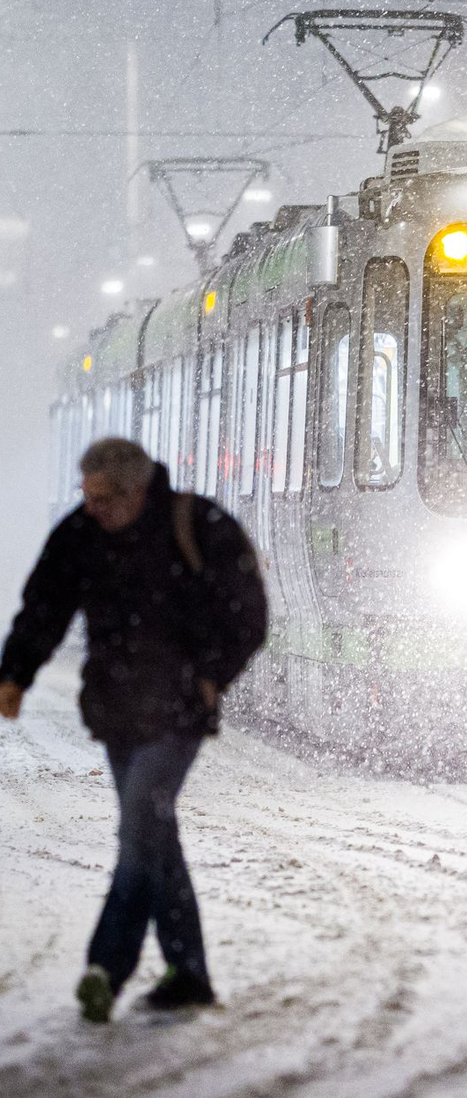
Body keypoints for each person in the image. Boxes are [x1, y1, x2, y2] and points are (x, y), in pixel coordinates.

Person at [0, 438, 267, 1022]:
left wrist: (212, 675)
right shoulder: (81, 533)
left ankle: (106, 965)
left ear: (137, 490)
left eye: (103, 498)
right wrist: (15, 672)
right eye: (86, 496)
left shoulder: (195, 523)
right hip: (117, 711)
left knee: (141, 825)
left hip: (177, 713)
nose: (92, 508)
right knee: (154, 835)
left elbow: (249, 610)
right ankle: (188, 973)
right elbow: (44, 605)